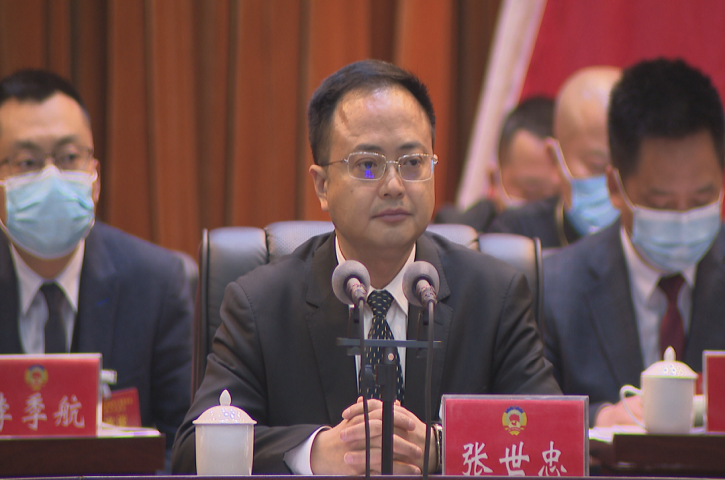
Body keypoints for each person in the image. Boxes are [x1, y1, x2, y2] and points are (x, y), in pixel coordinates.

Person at [171, 59, 560, 475]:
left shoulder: (494, 296)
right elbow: (192, 451)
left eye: (412, 163)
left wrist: (444, 447)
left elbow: (556, 438)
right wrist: (314, 452)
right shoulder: (260, 305)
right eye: (368, 165)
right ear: (322, 186)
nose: (393, 186)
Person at [0, 70, 193, 454]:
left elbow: (182, 449)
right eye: (27, 162)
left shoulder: (156, 284)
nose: (51, 177)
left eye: (70, 157)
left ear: (95, 176)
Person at [543, 58, 725, 427]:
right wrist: (598, 418)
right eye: (661, 203)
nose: (683, 216)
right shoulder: (553, 288)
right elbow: (523, 413)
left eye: (702, 199)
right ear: (615, 187)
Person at [488, 66, 621, 248]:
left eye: (626, 168)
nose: (614, 182)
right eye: (597, 165)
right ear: (556, 158)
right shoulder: (516, 232)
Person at [434, 97, 559, 231]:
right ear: (494, 181)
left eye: (557, 197)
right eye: (532, 192)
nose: (546, 209)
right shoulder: (456, 234)